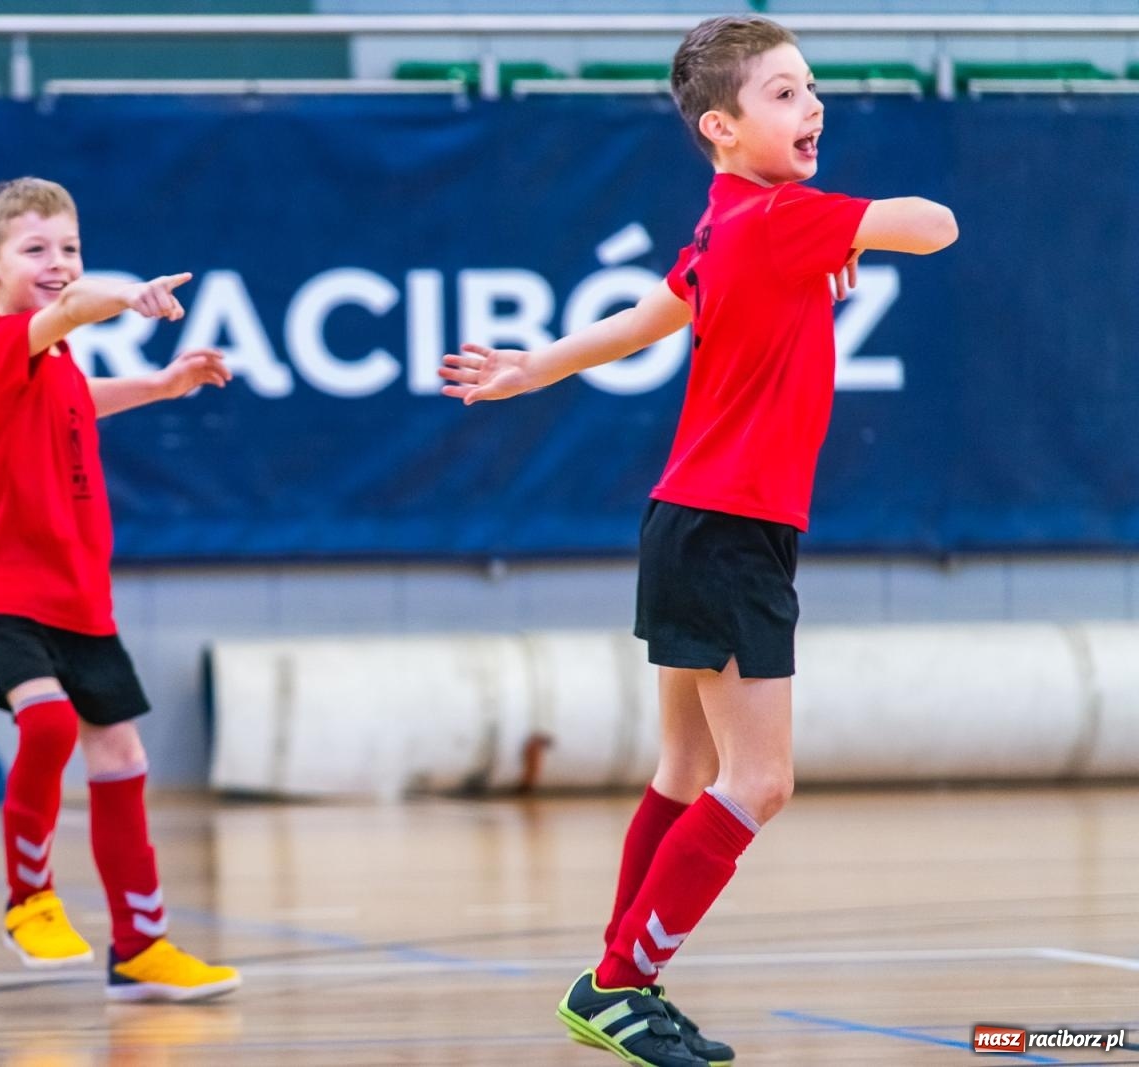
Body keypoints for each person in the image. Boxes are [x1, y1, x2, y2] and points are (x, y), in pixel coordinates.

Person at [440, 16, 956, 1065]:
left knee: (685, 764)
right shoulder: (780, 221)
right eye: (781, 93)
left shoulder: (729, 223)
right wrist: (848, 230)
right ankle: (620, 980)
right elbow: (936, 223)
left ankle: (624, 981)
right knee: (757, 780)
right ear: (720, 127)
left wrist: (532, 365)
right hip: (728, 529)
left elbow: (641, 317)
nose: (810, 107)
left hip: (691, 519)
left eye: (811, 87)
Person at [0, 176, 240, 1003]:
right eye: (35, 249)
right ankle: (29, 898)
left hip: (80, 597)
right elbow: (76, 309)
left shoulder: (56, 363)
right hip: (1, 589)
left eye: (69, 248)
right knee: (45, 722)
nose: (56, 263)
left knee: (121, 757)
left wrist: (159, 385)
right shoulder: (2, 343)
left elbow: (79, 398)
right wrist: (126, 293)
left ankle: (140, 946)